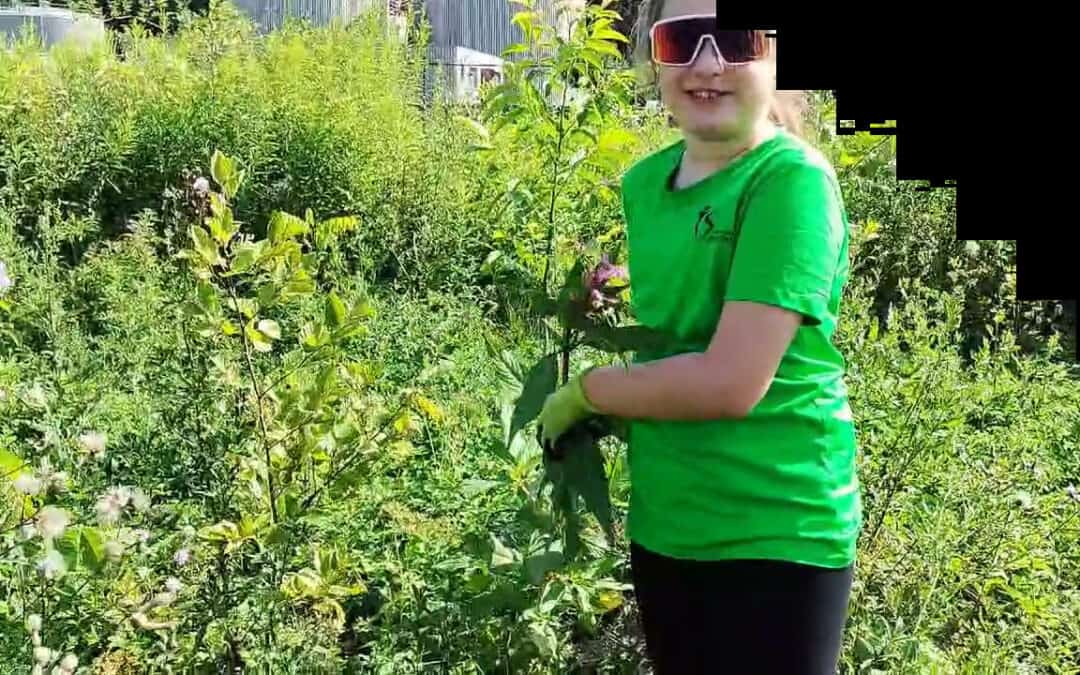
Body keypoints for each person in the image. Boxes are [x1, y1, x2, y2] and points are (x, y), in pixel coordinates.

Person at [536, 2, 861, 673]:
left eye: (737, 38)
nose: (707, 63)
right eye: (682, 39)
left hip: (777, 529)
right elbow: (677, 328)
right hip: (668, 520)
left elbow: (730, 381)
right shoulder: (645, 184)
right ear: (654, 57)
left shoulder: (790, 182)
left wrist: (588, 391)